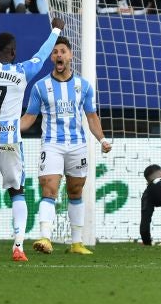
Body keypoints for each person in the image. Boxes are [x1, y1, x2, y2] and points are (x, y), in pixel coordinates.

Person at [0, 14, 64, 262]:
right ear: (12, 52)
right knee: (17, 192)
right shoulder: (21, 72)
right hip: (10, 141)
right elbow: (41, 57)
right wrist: (54, 31)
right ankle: (18, 246)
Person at [18, 35, 111, 255]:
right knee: (49, 188)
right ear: (52, 57)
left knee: (75, 191)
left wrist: (103, 139)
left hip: (78, 145)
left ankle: (77, 243)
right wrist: (9, 129)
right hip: (51, 145)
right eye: (55, 52)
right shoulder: (40, 87)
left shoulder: (83, 86)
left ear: (70, 56)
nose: (59, 55)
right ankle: (45, 237)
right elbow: (29, 117)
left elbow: (91, 116)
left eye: (63, 51)